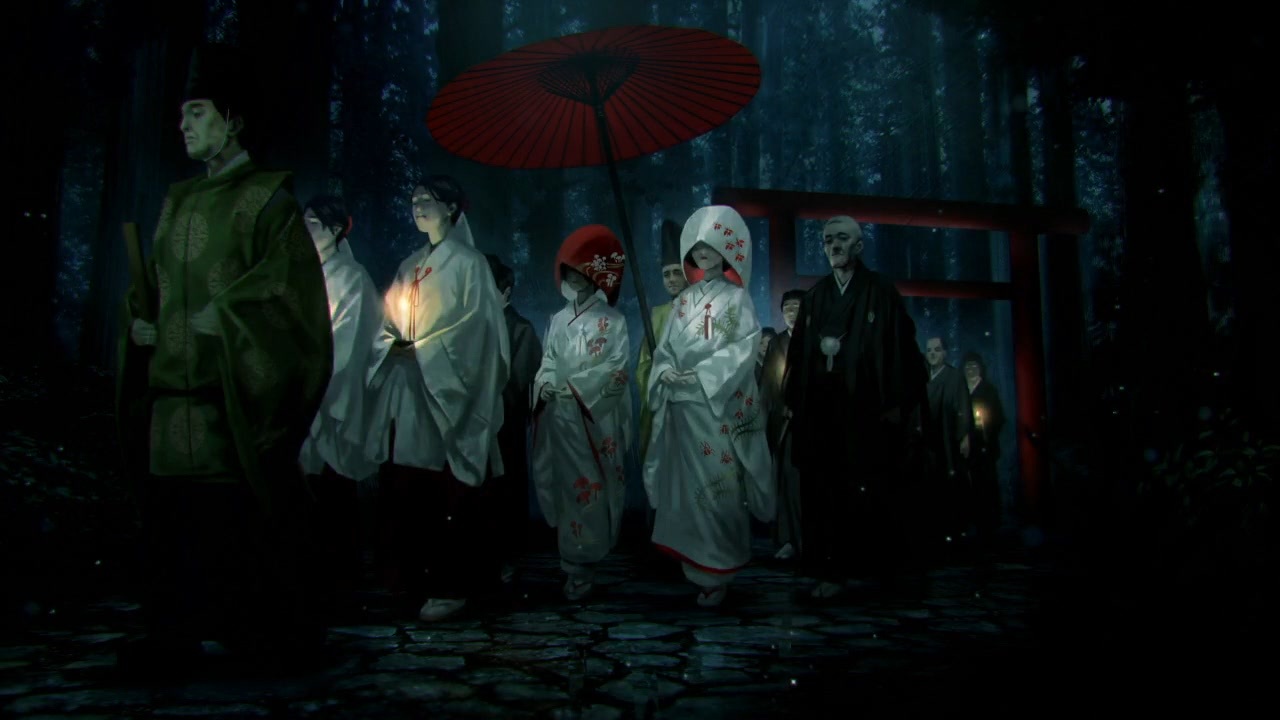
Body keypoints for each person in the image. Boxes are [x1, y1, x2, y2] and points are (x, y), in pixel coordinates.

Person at [115, 43, 334, 671]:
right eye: (182, 114)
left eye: (198, 112)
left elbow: (292, 302)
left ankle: (255, 634)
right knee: (169, 522)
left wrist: (234, 318)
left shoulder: (269, 201)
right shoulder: (176, 201)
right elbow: (154, 290)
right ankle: (171, 633)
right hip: (170, 403)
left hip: (230, 403)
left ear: (233, 119)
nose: (183, 125)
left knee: (232, 519)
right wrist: (140, 325)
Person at [364, 176, 509, 622]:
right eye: (413, 200)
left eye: (428, 200)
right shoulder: (409, 265)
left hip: (449, 394)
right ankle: (409, 580)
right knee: (409, 485)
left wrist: (426, 350)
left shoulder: (470, 264)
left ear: (451, 208)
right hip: (411, 391)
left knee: (448, 487)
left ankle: (452, 584)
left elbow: (480, 330)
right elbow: (388, 320)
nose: (418, 206)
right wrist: (392, 343)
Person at [783, 215, 927, 599]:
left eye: (842, 238)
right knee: (825, 492)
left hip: (868, 414)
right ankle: (831, 569)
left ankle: (874, 569)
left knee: (870, 490)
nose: (834, 245)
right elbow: (798, 358)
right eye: (828, 239)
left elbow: (902, 350)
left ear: (859, 245)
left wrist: (896, 406)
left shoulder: (881, 291)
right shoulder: (815, 297)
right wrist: (796, 403)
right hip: (824, 415)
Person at [644, 205, 774, 607]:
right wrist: (665, 371)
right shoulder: (683, 302)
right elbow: (665, 348)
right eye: (698, 246)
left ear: (726, 252)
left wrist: (701, 375)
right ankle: (697, 567)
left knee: (718, 492)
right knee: (686, 494)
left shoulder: (737, 298)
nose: (703, 252)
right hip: (681, 411)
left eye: (712, 246)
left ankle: (719, 568)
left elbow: (743, 347)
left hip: (714, 410)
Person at [531, 225, 632, 600]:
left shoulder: (613, 321)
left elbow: (616, 368)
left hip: (592, 418)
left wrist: (575, 388)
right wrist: (544, 383)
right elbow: (549, 360)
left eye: (579, 272)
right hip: (560, 417)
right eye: (568, 272)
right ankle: (570, 562)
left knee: (591, 486)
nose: (573, 278)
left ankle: (586, 563)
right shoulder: (558, 320)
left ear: (595, 277)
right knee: (565, 487)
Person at [298, 194, 383, 615]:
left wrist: (315, 376)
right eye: (304, 222)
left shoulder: (352, 278)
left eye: (314, 223)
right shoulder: (299, 273)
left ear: (335, 230)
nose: (305, 229)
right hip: (298, 389)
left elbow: (351, 343)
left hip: (331, 395)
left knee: (333, 488)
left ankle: (341, 581)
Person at [486, 253, 543, 585]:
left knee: (505, 490)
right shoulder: (475, 325)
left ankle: (508, 558)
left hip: (505, 424)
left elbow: (519, 383)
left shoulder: (521, 329)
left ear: (505, 291)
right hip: (479, 425)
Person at [636, 219, 689, 460]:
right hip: (663, 401)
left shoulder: (702, 310)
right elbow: (644, 364)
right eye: (666, 274)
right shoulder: (657, 314)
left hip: (693, 401)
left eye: (677, 272)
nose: (671, 279)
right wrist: (658, 376)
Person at [760, 288, 806, 560]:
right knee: (787, 480)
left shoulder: (816, 340)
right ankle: (789, 539)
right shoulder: (777, 343)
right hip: (785, 424)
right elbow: (767, 387)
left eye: (796, 307)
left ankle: (812, 540)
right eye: (787, 308)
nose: (791, 312)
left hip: (812, 423)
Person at [921, 336, 972, 542]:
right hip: (927, 439)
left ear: (945, 353)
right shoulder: (923, 376)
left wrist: (964, 436)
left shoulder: (955, 376)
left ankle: (953, 530)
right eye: (929, 350)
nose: (932, 353)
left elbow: (963, 407)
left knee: (950, 484)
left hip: (948, 437)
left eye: (937, 349)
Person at [963, 351, 1006, 544]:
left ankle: (989, 524)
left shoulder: (988, 390)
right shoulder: (960, 390)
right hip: (964, 445)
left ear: (980, 368)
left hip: (985, 446)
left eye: (974, 366)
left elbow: (999, 417)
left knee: (986, 483)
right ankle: (971, 521)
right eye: (968, 366)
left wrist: (986, 429)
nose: (971, 369)